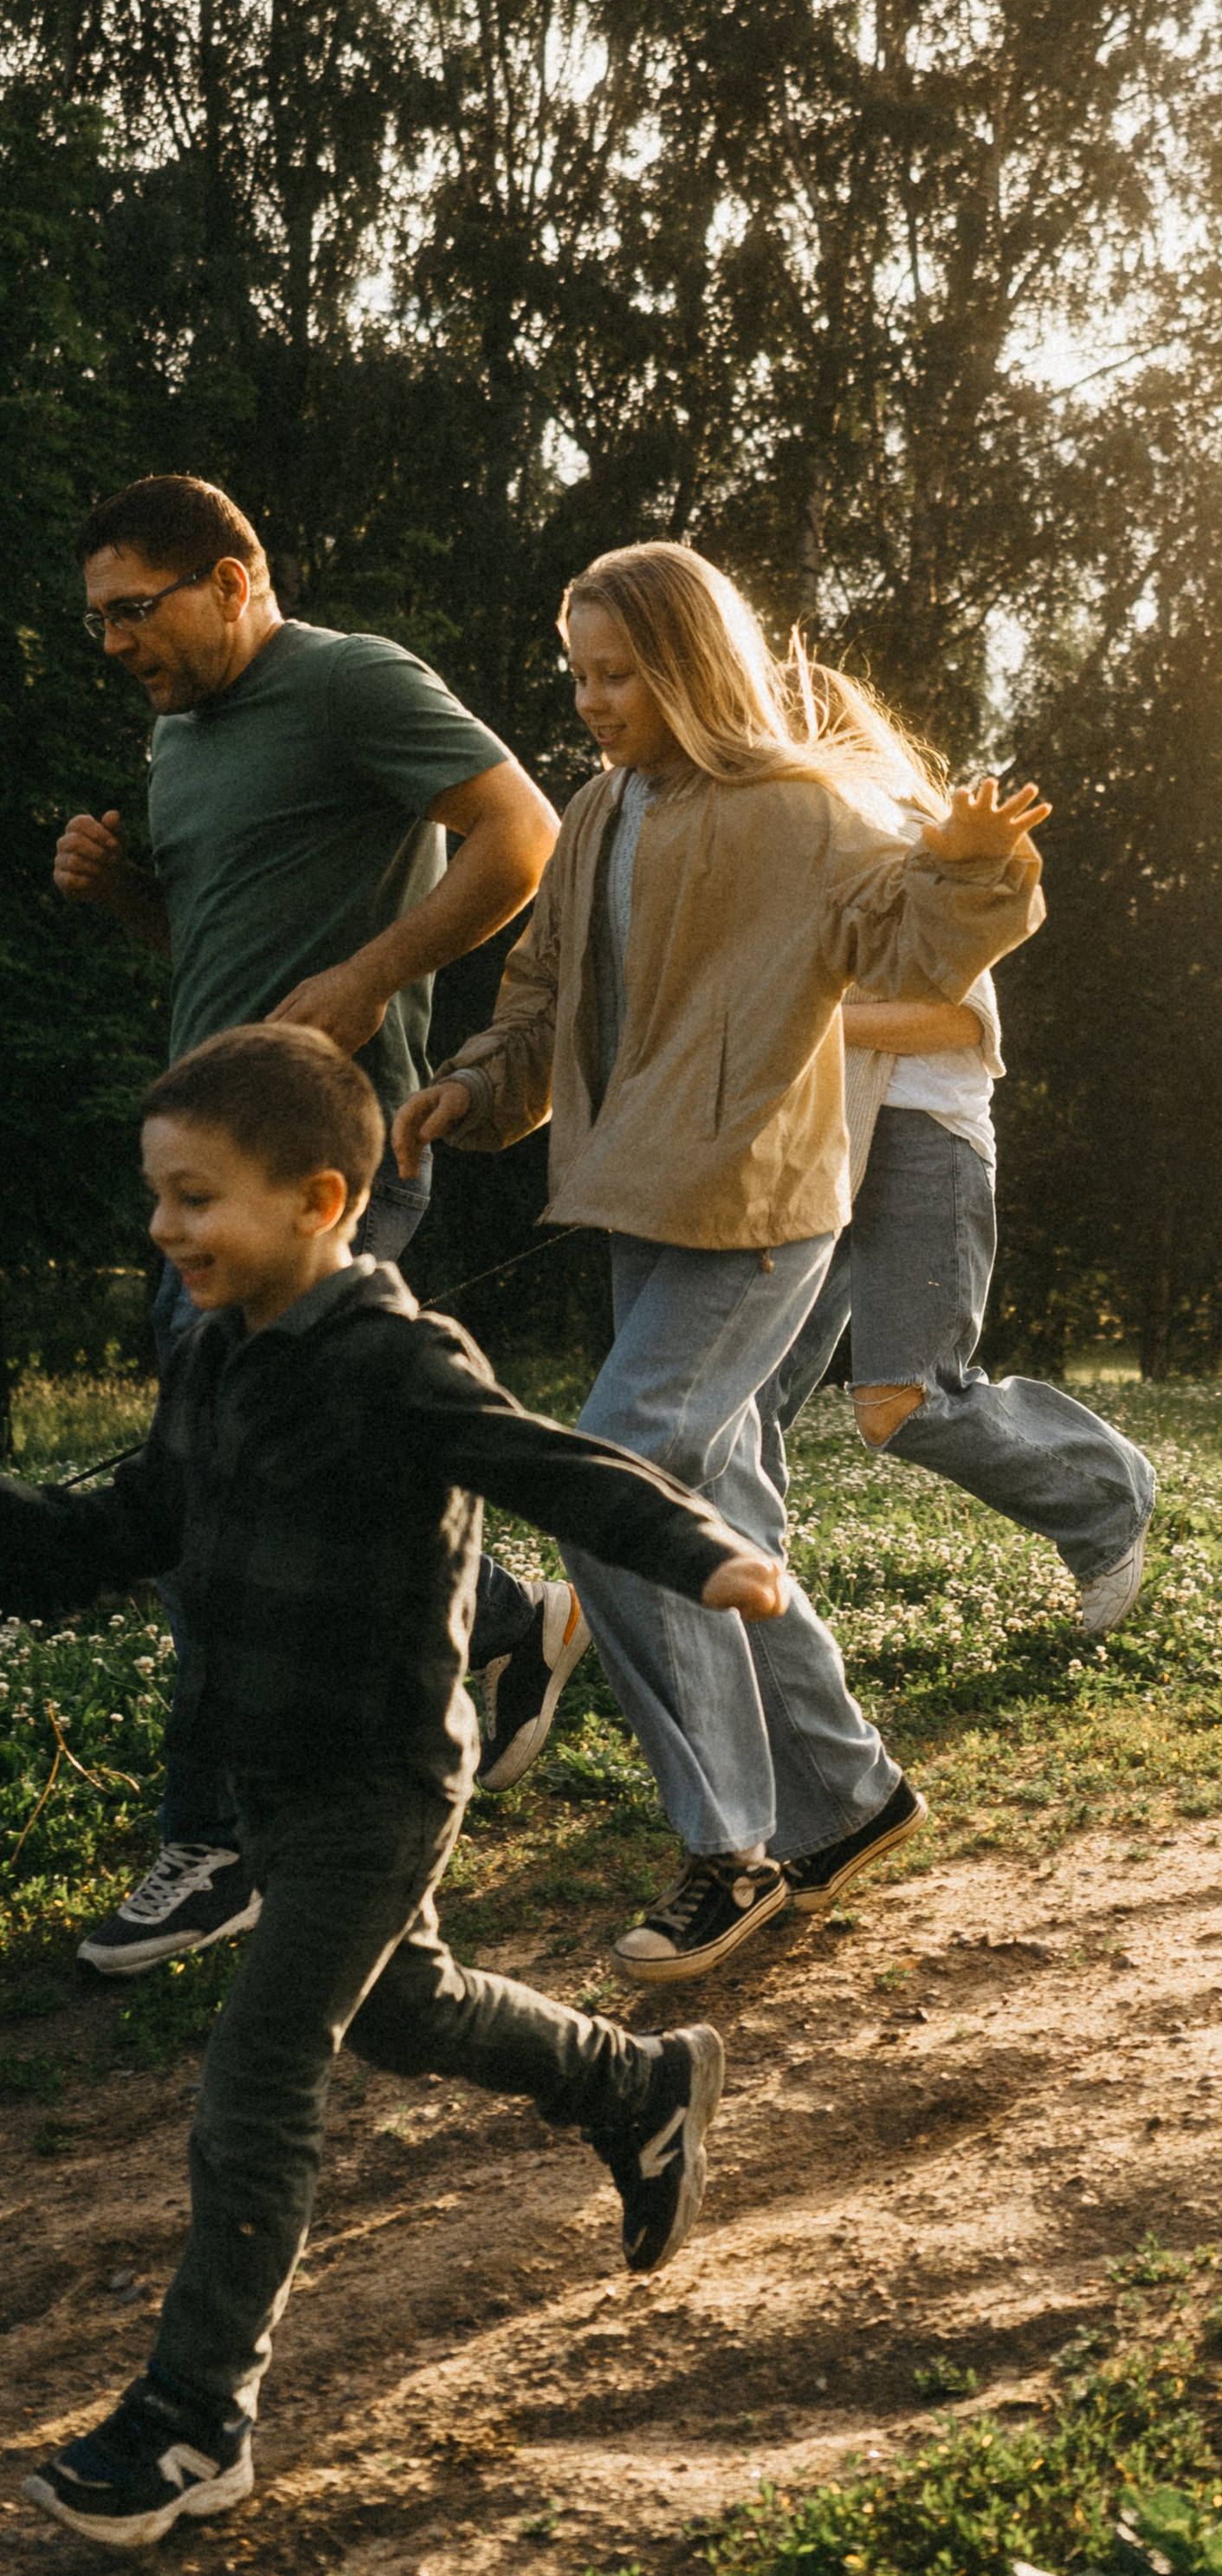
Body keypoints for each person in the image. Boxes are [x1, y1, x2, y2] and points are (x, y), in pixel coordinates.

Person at [10, 1024, 788, 2549]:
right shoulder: (212, 1347)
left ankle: (195, 2419)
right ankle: (636, 2085)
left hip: (377, 1773)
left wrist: (701, 1551)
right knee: (404, 2003)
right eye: (158, 1199)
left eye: (196, 1200)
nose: (167, 1230)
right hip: (265, 1770)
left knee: (260, 2075)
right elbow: (135, 1513)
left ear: (319, 1199)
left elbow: (549, 1463)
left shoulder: (393, 1356)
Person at [393, 541, 1047, 1984]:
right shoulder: (599, 806)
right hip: (639, 1192)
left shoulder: (800, 811)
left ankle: (731, 1846)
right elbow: (544, 992)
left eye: (618, 672)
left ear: (693, 668)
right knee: (714, 1506)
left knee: (617, 1475)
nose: (592, 700)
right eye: (578, 672)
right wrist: (474, 1087)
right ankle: (850, 1796)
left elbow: (918, 947)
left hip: (757, 1206)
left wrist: (974, 861)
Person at [56, 476, 585, 1980]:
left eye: (134, 609)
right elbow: (234, 941)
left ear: (234, 579)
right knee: (275, 1460)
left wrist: (373, 978)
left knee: (210, 1470)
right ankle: (498, 1611)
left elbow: (520, 834)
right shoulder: (180, 736)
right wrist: (131, 901)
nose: (113, 643)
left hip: (336, 1146)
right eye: (95, 619)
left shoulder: (349, 680)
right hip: (219, 1147)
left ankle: (216, 1835)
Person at [768, 915, 1153, 1638]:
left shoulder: (913, 836)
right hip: (814, 1133)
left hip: (923, 1137)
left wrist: (804, 1018)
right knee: (752, 1387)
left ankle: (1102, 1499)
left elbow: (959, 1017)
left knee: (904, 1399)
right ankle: (706, 1594)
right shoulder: (788, 840)